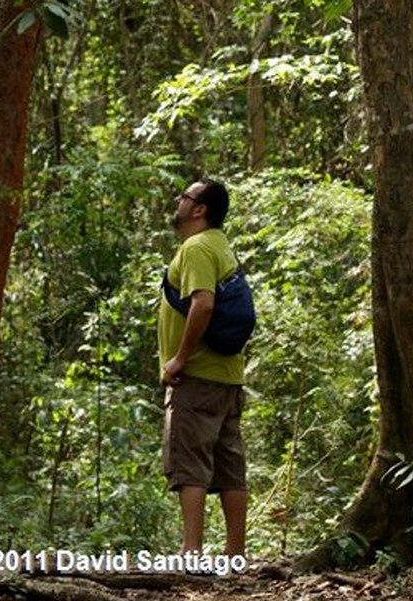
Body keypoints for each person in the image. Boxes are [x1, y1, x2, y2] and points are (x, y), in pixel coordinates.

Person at [158, 178, 247, 556]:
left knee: (189, 462)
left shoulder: (196, 247)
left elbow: (204, 304)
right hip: (228, 377)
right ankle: (235, 553)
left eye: (185, 196)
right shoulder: (221, 246)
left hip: (196, 376)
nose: (178, 199)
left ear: (200, 210)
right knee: (229, 464)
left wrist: (179, 357)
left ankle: (190, 552)